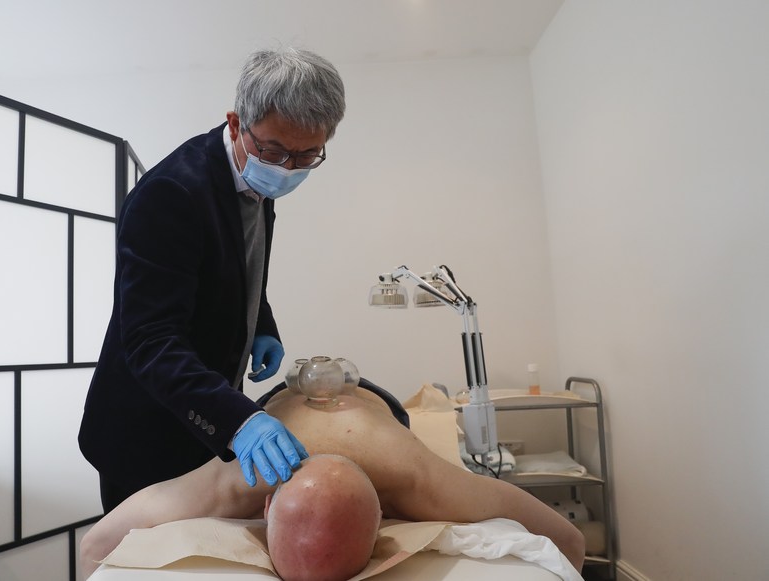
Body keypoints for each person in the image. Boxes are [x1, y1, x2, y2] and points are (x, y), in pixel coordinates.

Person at [78, 47, 347, 512]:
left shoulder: (257, 177)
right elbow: (150, 341)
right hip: (146, 430)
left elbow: (239, 265)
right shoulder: (171, 194)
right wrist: (240, 422)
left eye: (307, 156)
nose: (287, 169)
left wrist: (262, 324)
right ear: (236, 123)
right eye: (275, 151)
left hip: (206, 418)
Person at [79, 385, 586, 579]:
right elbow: (568, 544)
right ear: (265, 506)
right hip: (274, 408)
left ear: (387, 517)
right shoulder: (234, 479)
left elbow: (94, 546)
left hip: (374, 402)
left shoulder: (418, 478)